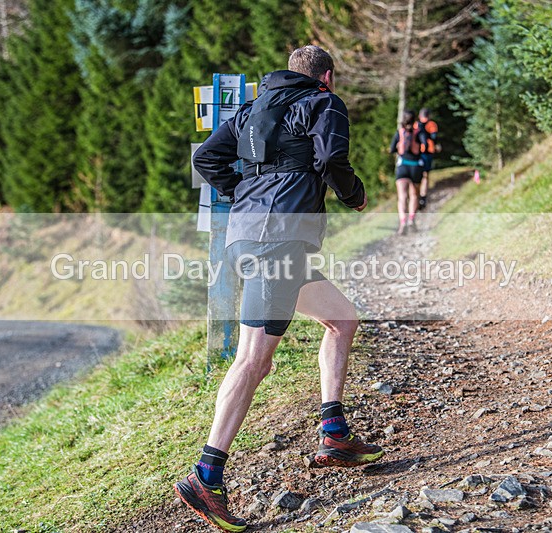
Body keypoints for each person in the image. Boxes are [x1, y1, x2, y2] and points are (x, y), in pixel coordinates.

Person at [176, 45, 384, 532]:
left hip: (251, 237)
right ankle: (206, 475)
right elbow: (331, 158)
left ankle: (334, 432)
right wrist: (354, 195)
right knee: (253, 360)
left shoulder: (254, 108)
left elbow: (207, 157)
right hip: (277, 242)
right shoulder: (324, 102)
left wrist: (242, 193)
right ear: (326, 76)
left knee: (342, 318)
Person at [389, 109, 422, 235]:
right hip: (415, 167)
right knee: (414, 195)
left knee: (402, 197)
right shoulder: (418, 132)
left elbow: (392, 149)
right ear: (415, 119)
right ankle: (411, 220)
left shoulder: (399, 132)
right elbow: (425, 145)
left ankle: (403, 222)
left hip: (402, 167)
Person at [415, 107, 439, 208]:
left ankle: (415, 196)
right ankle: (423, 197)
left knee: (416, 176)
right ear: (428, 115)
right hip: (428, 152)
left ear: (419, 115)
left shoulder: (415, 125)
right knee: (425, 175)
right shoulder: (432, 124)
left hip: (416, 153)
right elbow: (434, 137)